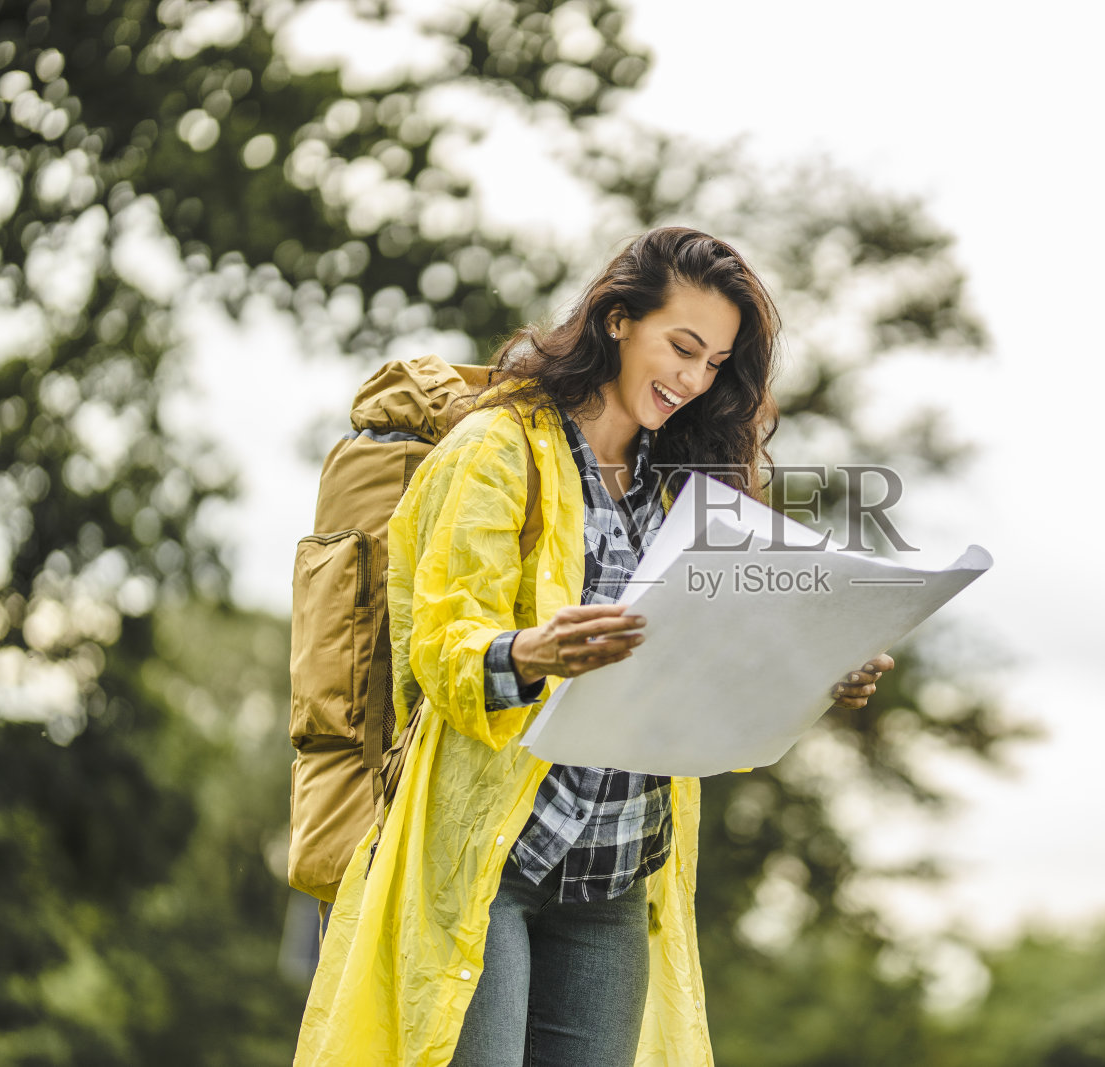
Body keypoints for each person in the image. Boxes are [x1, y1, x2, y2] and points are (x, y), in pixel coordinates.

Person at [293, 227, 895, 1067]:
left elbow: (715, 674)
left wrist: (816, 670)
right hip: (488, 867)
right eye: (681, 346)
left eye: (715, 363)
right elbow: (438, 646)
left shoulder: (694, 487)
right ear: (617, 320)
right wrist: (529, 653)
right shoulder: (498, 451)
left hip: (615, 876)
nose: (692, 379)